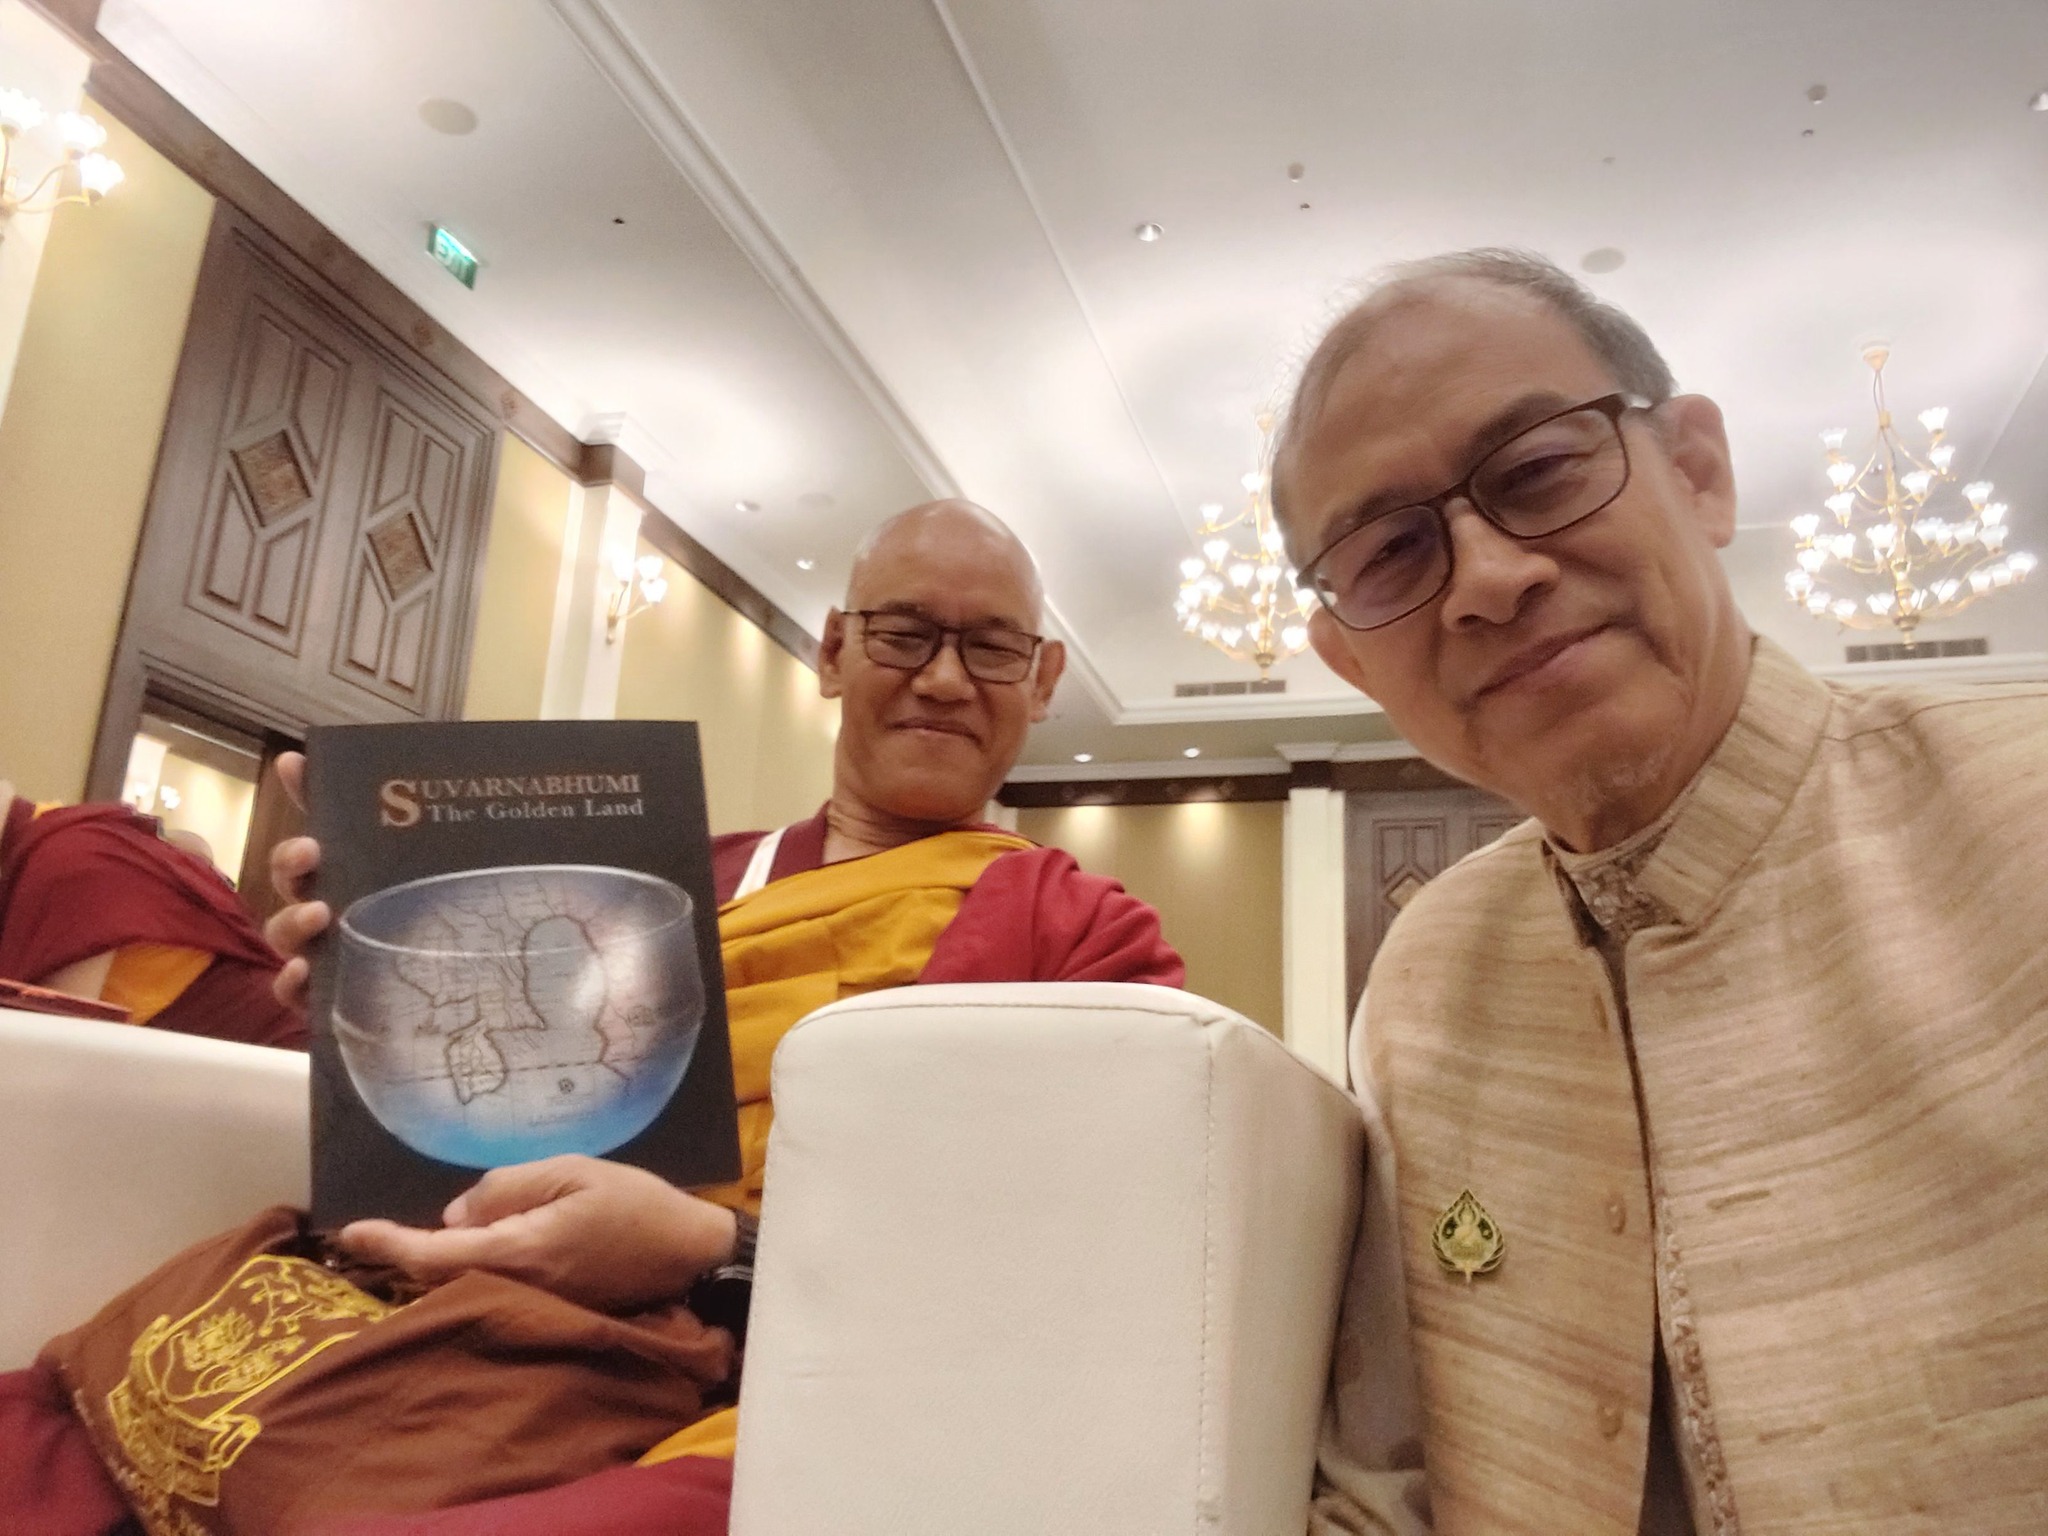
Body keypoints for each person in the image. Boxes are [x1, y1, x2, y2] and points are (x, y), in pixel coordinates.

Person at [2, 499, 1181, 1536]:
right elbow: (489, 1100)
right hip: (458, 1292)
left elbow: (1071, 1264)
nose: (942, 679)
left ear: (1042, 679)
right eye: (903, 633)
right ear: (832, 651)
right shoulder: (651, 874)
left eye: (990, 647)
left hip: (760, 1353)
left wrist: (716, 1255)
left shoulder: (1083, 939)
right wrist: (372, 1015)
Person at [1274, 249, 2048, 1535]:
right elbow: (1383, 1482)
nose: (1487, 578)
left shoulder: (2020, 816)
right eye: (1390, 551)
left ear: (1696, 471)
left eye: (1536, 471)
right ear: (1350, 660)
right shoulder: (1425, 976)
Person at [0, 775, 301, 1048]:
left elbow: (54, 1050)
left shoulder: (67, 860)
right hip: (212, 1068)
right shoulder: (56, 840)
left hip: (276, 1066)